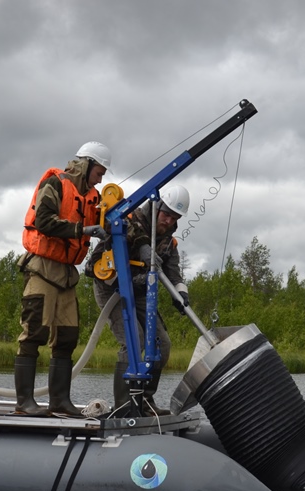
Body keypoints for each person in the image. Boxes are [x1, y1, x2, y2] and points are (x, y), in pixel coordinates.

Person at [13, 141, 110, 416]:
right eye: (99, 172)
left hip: (68, 274)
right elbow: (43, 221)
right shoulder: (56, 183)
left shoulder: (93, 197)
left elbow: (106, 220)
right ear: (86, 165)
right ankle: (25, 404)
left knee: (67, 337)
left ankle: (60, 402)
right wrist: (83, 229)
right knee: (34, 333)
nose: (100, 179)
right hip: (43, 268)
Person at [86, 184, 191, 416]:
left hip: (142, 291)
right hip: (111, 287)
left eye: (174, 217)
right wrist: (143, 246)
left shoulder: (169, 242)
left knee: (161, 344)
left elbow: (173, 273)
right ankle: (125, 405)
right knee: (135, 339)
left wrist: (181, 293)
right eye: (166, 214)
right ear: (158, 207)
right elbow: (128, 232)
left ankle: (144, 401)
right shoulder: (129, 217)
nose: (168, 221)